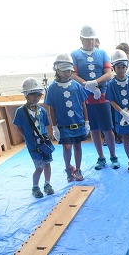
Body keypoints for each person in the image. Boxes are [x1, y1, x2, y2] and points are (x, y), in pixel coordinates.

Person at [71, 25, 120, 170]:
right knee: (94, 129)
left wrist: (95, 83)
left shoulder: (102, 53)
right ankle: (101, 157)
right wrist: (87, 85)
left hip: (102, 96)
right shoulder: (75, 55)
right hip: (86, 98)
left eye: (92, 39)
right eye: (87, 39)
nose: (90, 42)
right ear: (81, 39)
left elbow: (109, 74)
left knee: (107, 128)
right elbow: (73, 75)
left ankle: (113, 156)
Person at [44, 53, 89, 182]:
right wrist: (54, 127)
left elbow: (83, 104)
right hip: (63, 125)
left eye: (69, 70)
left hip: (78, 123)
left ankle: (78, 169)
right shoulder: (52, 88)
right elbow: (51, 108)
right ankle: (69, 169)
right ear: (57, 70)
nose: (67, 73)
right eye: (64, 70)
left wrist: (86, 122)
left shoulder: (76, 85)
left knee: (77, 146)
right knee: (67, 147)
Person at [13, 77, 54, 198]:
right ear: (26, 95)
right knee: (39, 167)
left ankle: (47, 184)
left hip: (44, 143)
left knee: (47, 164)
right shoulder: (21, 111)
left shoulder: (42, 111)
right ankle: (35, 187)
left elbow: (45, 125)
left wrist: (47, 138)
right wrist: (27, 138)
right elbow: (19, 127)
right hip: (33, 146)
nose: (36, 97)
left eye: (38, 95)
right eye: (33, 94)